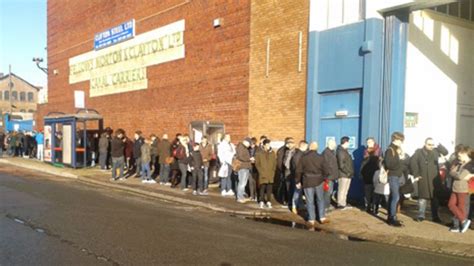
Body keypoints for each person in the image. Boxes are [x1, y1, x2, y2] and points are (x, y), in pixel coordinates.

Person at [410, 138, 449, 223]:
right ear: (425, 144)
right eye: (429, 144)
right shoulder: (418, 152)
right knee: (422, 198)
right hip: (423, 178)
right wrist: (416, 174)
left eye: (432, 144)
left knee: (435, 199)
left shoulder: (436, 151)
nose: (431, 146)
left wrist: (440, 146)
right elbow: (412, 162)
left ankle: (435, 216)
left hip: (434, 179)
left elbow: (446, 152)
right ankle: (421, 215)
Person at [296, 142, 330, 230]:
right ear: (317, 148)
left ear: (309, 148)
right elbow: (326, 170)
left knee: (309, 200)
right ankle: (322, 217)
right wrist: (324, 178)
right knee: (320, 199)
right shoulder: (321, 158)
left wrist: (298, 181)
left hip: (307, 180)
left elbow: (298, 170)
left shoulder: (304, 158)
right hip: (319, 181)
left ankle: (311, 219)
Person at [448, 146, 473, 233]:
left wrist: (453, 173)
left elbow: (459, 176)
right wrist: (454, 172)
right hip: (455, 188)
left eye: (460, 155)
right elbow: (451, 171)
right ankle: (463, 221)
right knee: (451, 205)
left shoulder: (469, 165)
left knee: (461, 208)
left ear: (466, 154)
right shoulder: (460, 163)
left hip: (463, 189)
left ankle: (460, 225)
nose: (458, 157)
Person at [384, 132, 405, 227]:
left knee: (394, 196)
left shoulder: (396, 149)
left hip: (396, 176)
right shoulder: (390, 150)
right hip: (393, 176)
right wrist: (399, 159)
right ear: (395, 140)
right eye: (400, 140)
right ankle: (392, 217)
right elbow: (389, 164)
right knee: (395, 197)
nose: (402, 142)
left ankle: (391, 217)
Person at [360, 137, 381, 213]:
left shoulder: (378, 151)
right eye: (367, 142)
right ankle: (368, 206)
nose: (368, 144)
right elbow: (363, 165)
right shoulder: (365, 152)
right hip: (367, 175)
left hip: (375, 174)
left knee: (376, 192)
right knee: (368, 192)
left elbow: (380, 163)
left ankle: (375, 207)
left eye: (369, 142)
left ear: (373, 142)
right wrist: (362, 174)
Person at [255, 139, 276, 208]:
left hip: (270, 173)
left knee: (269, 189)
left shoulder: (272, 153)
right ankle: (261, 201)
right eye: (267, 145)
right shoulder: (259, 153)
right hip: (262, 173)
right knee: (262, 188)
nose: (268, 146)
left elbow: (274, 163)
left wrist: (273, 171)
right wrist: (260, 171)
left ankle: (269, 201)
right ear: (263, 145)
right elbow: (257, 164)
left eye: (269, 144)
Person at [290, 140, 309, 213]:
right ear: (303, 146)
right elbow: (297, 168)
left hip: (300, 176)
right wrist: (298, 179)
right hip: (298, 176)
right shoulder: (298, 155)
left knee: (299, 192)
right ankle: (294, 206)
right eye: (306, 146)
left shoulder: (300, 154)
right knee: (297, 192)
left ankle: (300, 205)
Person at [276, 137, 296, 205]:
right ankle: (287, 200)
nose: (289, 145)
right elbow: (283, 160)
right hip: (286, 170)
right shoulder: (286, 151)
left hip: (292, 171)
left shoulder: (296, 151)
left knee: (292, 186)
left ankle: (291, 201)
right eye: (288, 144)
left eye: (291, 143)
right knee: (287, 186)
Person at [336, 136, 354, 210]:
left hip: (347, 174)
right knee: (342, 190)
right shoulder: (340, 151)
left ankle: (343, 203)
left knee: (345, 190)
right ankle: (340, 204)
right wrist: (347, 172)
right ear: (345, 142)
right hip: (343, 174)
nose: (349, 143)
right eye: (348, 142)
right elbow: (341, 164)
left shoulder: (344, 150)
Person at [322, 139, 338, 213]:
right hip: (328, 177)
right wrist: (327, 175)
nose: (335, 146)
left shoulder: (332, 152)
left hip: (332, 176)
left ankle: (327, 205)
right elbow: (325, 165)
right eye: (334, 144)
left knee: (329, 192)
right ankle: (325, 207)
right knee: (327, 192)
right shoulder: (326, 153)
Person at [235, 137, 253, 203]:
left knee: (244, 183)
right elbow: (240, 157)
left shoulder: (244, 148)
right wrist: (249, 159)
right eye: (249, 143)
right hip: (242, 167)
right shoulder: (240, 147)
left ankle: (242, 196)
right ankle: (240, 197)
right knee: (242, 183)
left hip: (246, 167)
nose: (249, 145)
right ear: (245, 142)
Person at [249, 137, 259, 202]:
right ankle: (251, 195)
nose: (252, 145)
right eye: (251, 144)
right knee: (250, 182)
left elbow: (259, 157)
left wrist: (254, 159)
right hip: (249, 166)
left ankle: (256, 195)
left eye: (253, 144)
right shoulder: (248, 149)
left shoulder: (258, 149)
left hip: (256, 167)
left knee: (255, 182)